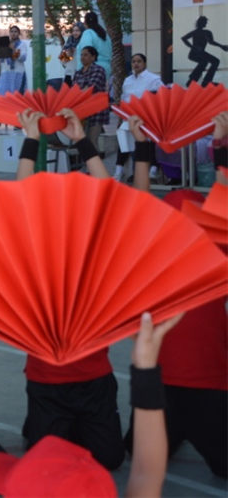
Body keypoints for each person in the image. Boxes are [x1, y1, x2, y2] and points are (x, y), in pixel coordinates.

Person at [0, 305, 182, 498]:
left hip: (88, 383)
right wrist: (146, 365)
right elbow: (147, 471)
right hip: (51, 383)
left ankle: (55, 427)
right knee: (107, 456)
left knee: (107, 455)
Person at [15, 109, 125, 471]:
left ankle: (58, 427)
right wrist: (31, 139)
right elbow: (21, 197)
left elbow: (109, 198)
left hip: (95, 379)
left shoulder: (97, 252)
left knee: (109, 459)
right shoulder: (37, 255)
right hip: (47, 381)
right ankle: (43, 425)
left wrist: (81, 141)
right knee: (48, 463)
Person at [122, 113, 228, 479]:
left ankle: (178, 431)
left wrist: (142, 145)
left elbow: (140, 201)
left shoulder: (149, 256)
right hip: (207, 384)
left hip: (162, 385)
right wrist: (220, 144)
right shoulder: (215, 254)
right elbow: (223, 196)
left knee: (139, 454)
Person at [113, 54, 162, 181]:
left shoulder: (154, 79)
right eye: (133, 61)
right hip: (130, 117)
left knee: (150, 139)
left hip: (148, 118)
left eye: (139, 61)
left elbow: (162, 98)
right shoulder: (127, 80)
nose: (136, 64)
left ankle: (153, 170)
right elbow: (124, 99)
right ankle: (119, 170)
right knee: (123, 135)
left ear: (144, 63)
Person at [71, 45, 110, 149]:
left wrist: (76, 96)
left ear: (93, 57)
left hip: (96, 110)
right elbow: (72, 90)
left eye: (86, 55)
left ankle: (94, 160)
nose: (82, 57)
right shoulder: (78, 73)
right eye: (81, 55)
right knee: (81, 141)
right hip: (81, 110)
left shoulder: (98, 70)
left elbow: (89, 89)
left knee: (92, 140)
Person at [182, 15, 227, 86]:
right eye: (205, 22)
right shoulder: (203, 32)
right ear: (201, 23)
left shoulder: (205, 32)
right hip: (194, 53)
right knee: (207, 62)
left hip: (199, 53)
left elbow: (211, 42)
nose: (206, 23)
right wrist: (192, 47)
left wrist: (221, 46)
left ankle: (199, 81)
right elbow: (184, 38)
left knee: (211, 61)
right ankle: (197, 80)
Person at [81, 11, 113, 80]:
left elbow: (86, 51)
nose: (75, 33)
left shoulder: (88, 33)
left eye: (77, 30)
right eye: (74, 30)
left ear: (85, 23)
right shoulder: (104, 34)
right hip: (106, 67)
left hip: (93, 69)